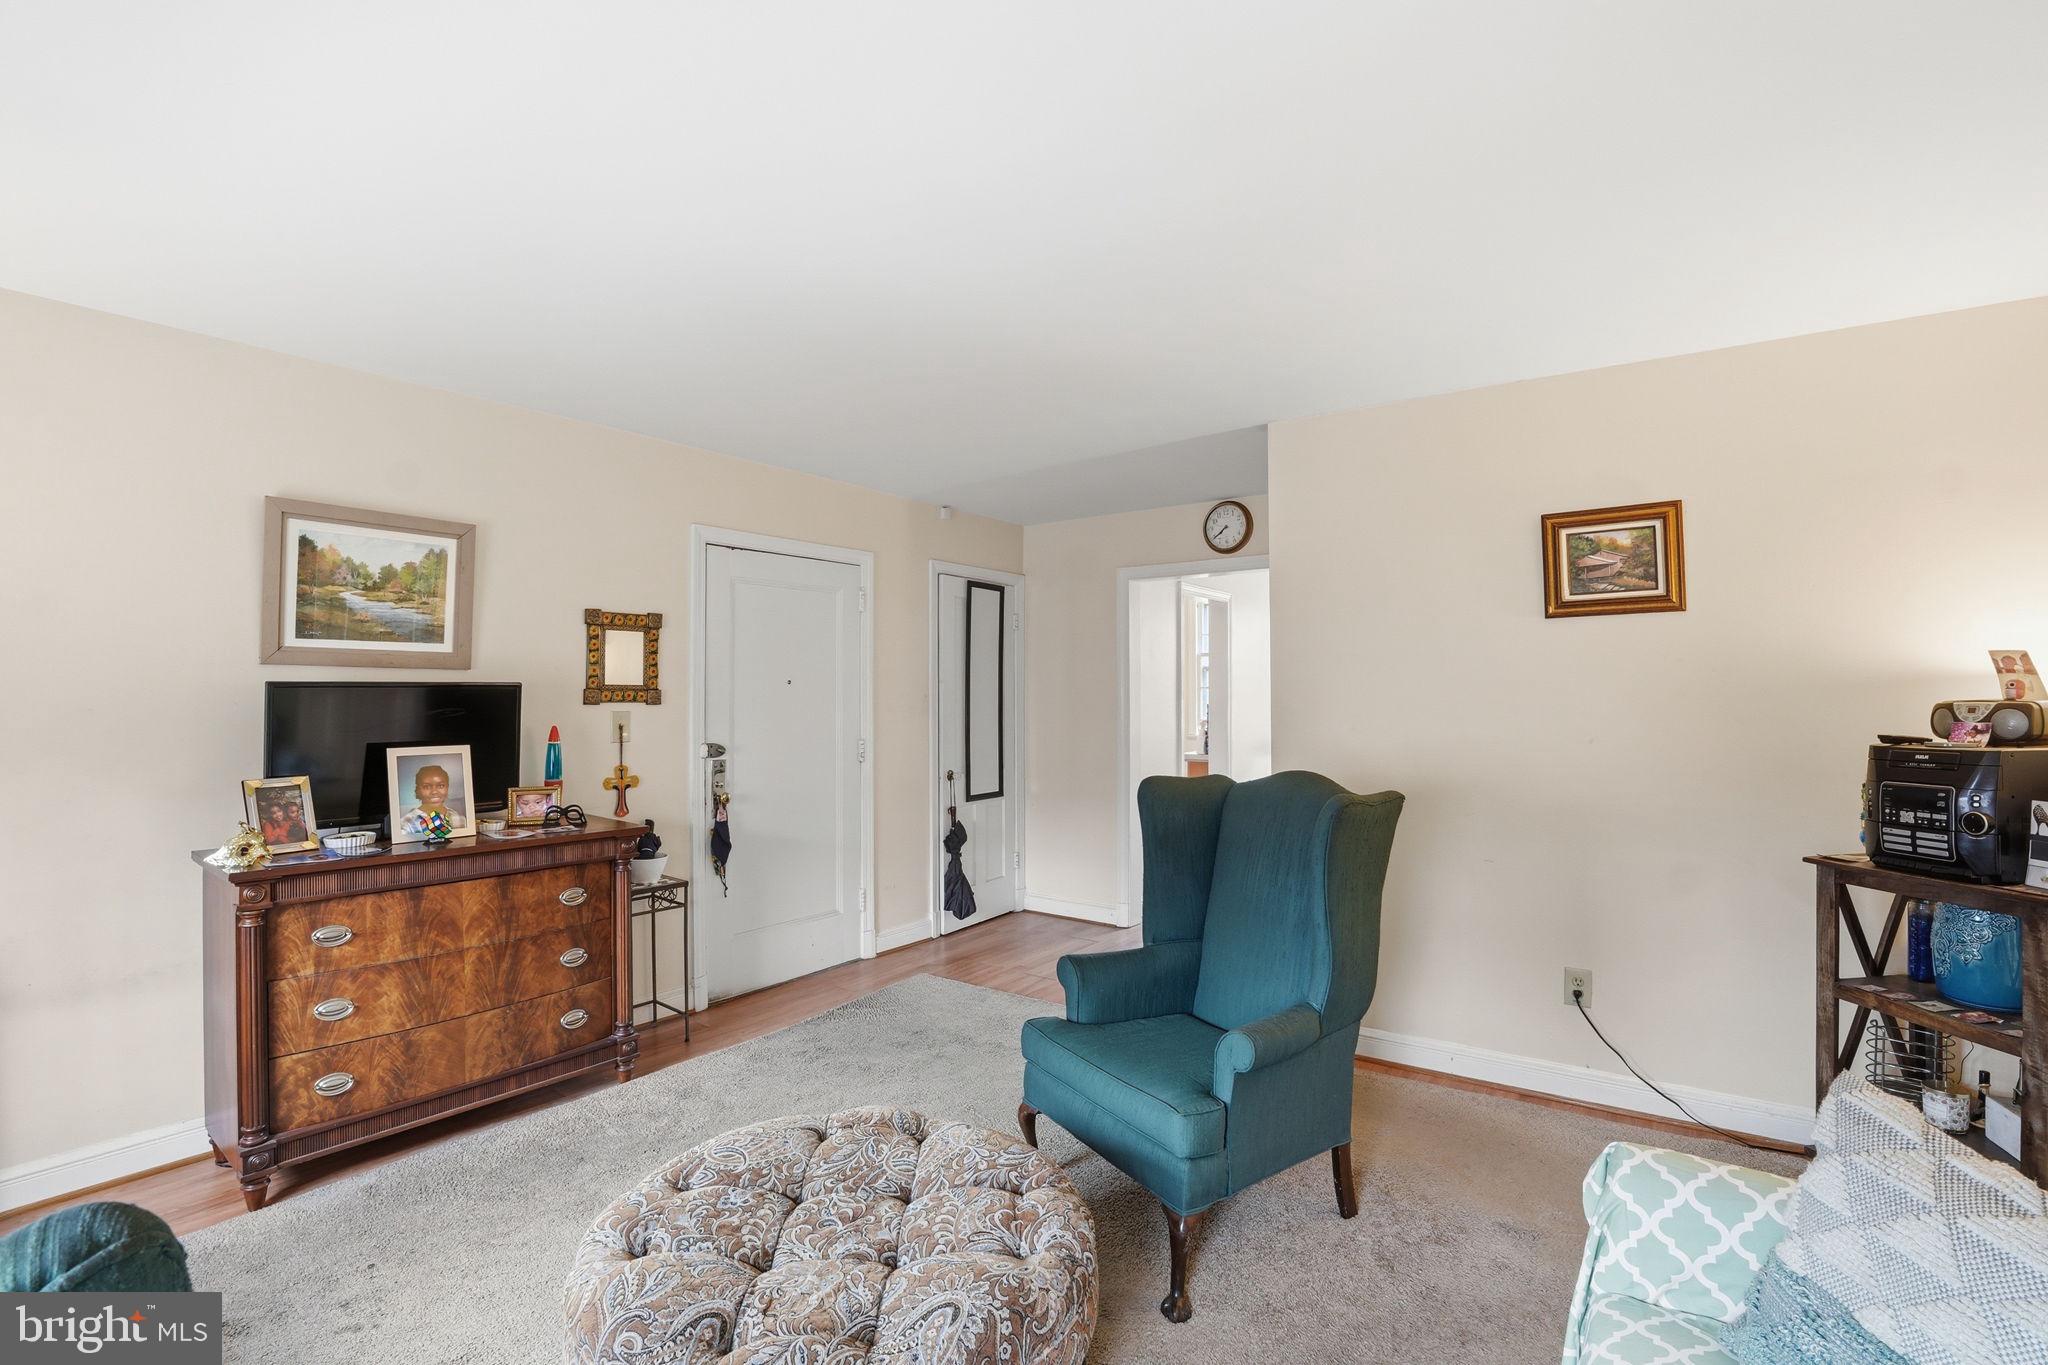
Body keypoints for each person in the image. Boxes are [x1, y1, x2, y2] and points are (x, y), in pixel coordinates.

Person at [398, 763, 464, 835]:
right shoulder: (406, 824)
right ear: (417, 790)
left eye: (441, 786)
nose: (434, 792)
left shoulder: (455, 815)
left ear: (447, 788)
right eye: (427, 787)